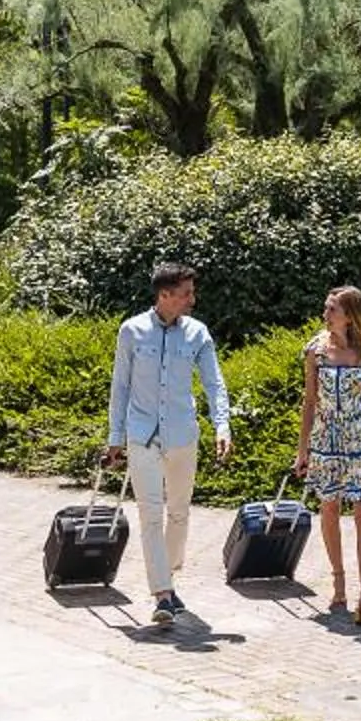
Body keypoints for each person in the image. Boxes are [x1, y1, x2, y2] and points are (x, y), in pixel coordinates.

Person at [105, 261, 232, 625]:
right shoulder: (131, 331)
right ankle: (162, 594)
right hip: (142, 433)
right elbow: (121, 387)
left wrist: (222, 427)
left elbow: (214, 384)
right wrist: (116, 438)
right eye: (186, 293)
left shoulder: (197, 334)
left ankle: (169, 572)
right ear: (164, 295)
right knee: (150, 513)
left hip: (182, 434)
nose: (193, 299)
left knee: (179, 511)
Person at [294, 285, 361, 626]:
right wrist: (303, 449)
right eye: (326, 309)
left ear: (349, 315)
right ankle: (338, 580)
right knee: (328, 507)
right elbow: (309, 402)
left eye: (332, 310)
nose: (325, 315)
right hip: (326, 439)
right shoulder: (315, 350)